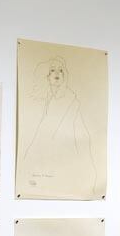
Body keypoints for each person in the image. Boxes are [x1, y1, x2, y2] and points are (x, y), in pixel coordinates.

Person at [22, 57, 96, 193]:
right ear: (46, 76)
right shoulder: (43, 99)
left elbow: (82, 136)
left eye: (61, 70)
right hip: (44, 163)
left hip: (64, 159)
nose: (57, 73)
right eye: (52, 70)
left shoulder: (70, 101)